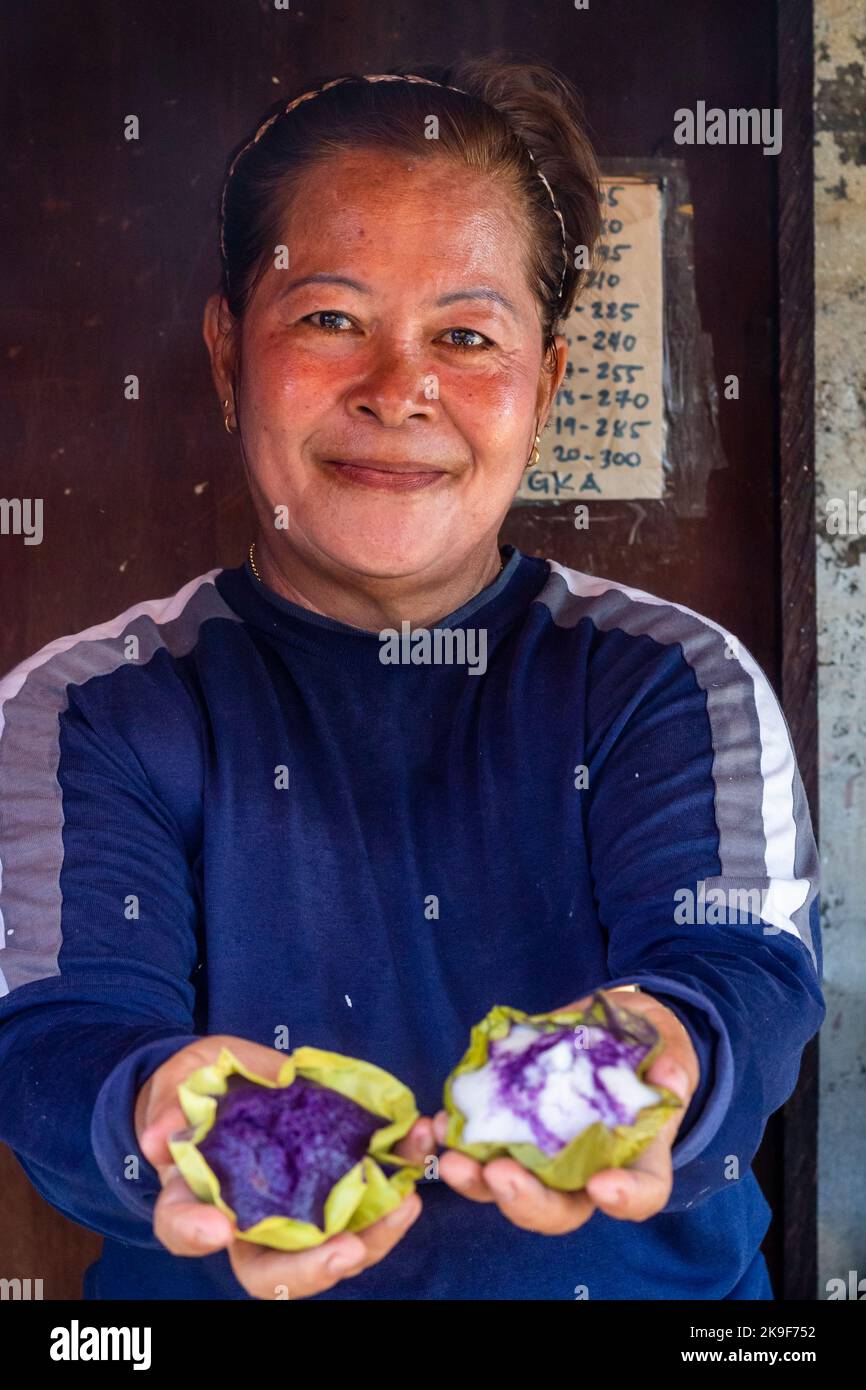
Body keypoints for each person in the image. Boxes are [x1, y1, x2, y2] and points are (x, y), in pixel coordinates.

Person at [0, 58, 825, 1301]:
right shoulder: (87, 710)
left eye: (465, 335)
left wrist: (662, 1054)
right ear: (230, 357)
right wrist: (160, 1115)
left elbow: (738, 980)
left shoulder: (667, 681)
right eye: (329, 318)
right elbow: (55, 1042)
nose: (401, 390)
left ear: (543, 384)